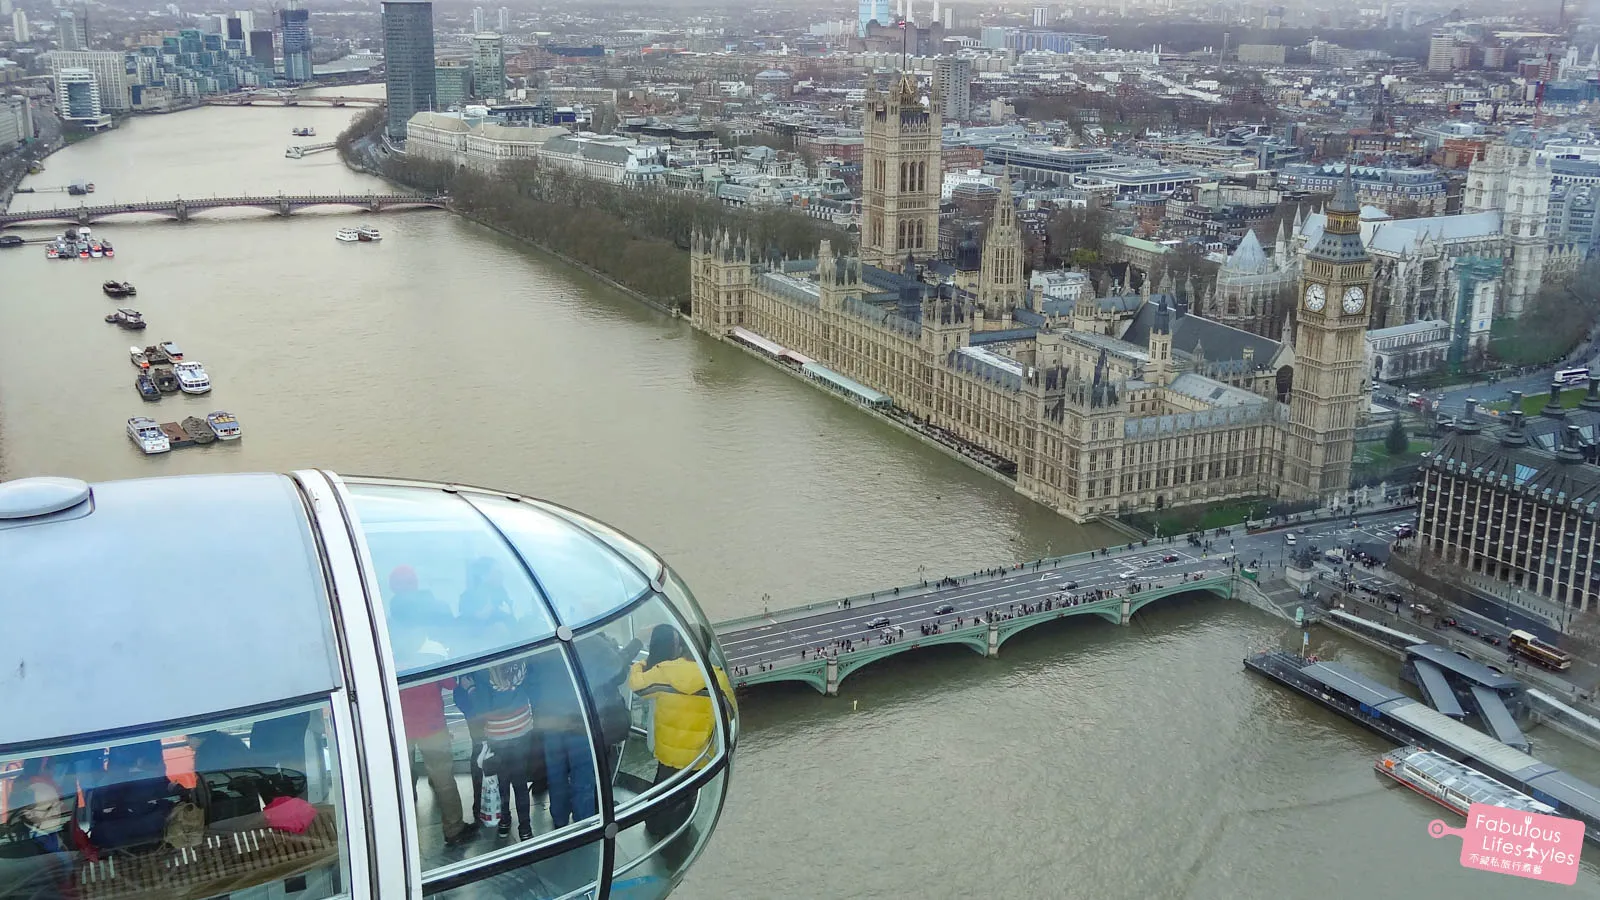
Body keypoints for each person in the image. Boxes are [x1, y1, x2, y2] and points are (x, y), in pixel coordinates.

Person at [628, 625, 735, 842]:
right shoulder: (716, 677)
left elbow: (637, 687)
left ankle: (655, 828)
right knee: (687, 795)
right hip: (697, 755)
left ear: (682, 645)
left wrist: (640, 665)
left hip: (668, 750)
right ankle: (677, 833)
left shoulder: (665, 670)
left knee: (661, 790)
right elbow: (729, 713)